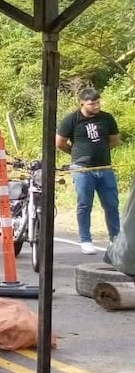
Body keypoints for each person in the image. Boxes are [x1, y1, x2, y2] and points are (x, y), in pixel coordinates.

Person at [56, 88, 122, 255]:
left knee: (112, 205)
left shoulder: (107, 118)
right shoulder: (72, 119)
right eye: (92, 104)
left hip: (105, 168)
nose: (96, 106)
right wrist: (76, 153)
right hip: (82, 169)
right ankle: (86, 240)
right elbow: (60, 142)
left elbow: (114, 140)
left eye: (98, 102)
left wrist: (100, 151)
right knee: (84, 205)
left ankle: (116, 239)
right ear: (82, 104)